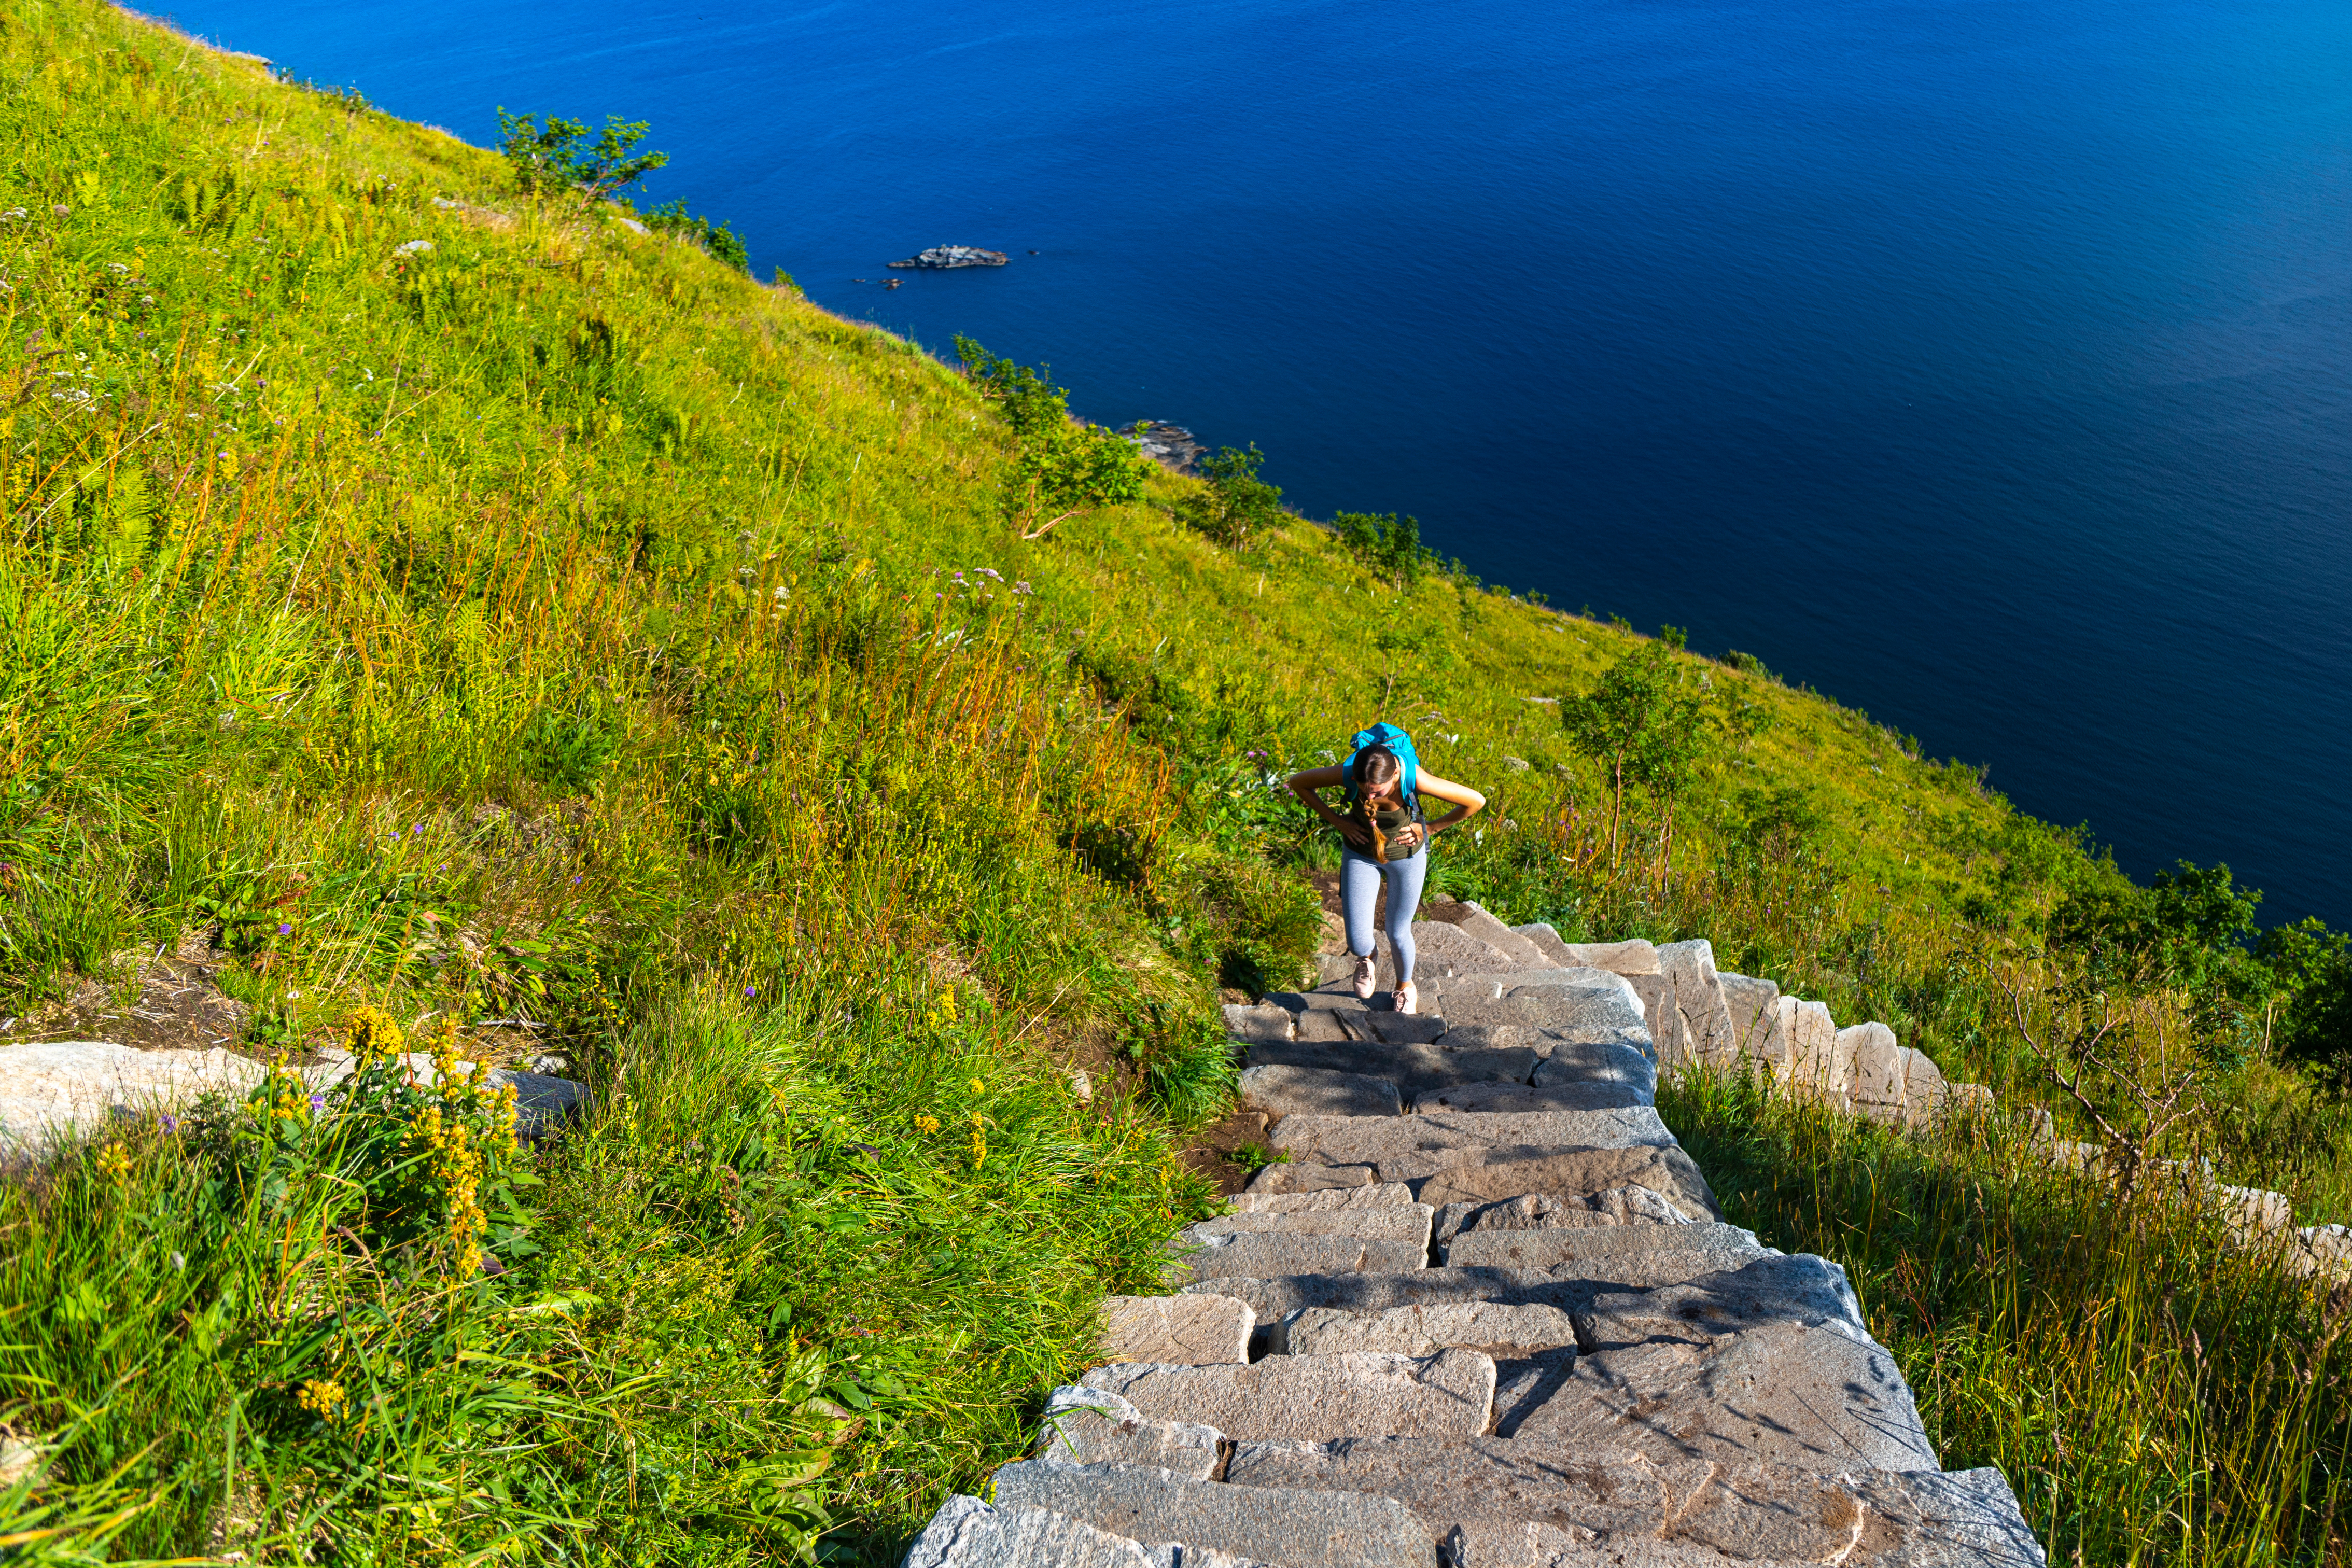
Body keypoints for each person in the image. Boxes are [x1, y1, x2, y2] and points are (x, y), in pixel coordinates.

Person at [1287, 735, 1486, 1015]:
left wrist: (1429, 829)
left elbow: (1476, 801)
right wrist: (1339, 822)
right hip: (1360, 854)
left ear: (1394, 775)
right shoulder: (1349, 771)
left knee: (1397, 931)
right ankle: (1368, 958)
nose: (1369, 797)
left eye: (1377, 792)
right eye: (1364, 790)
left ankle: (1405, 986)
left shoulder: (1412, 777)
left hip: (1406, 857)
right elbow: (1298, 782)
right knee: (1357, 941)